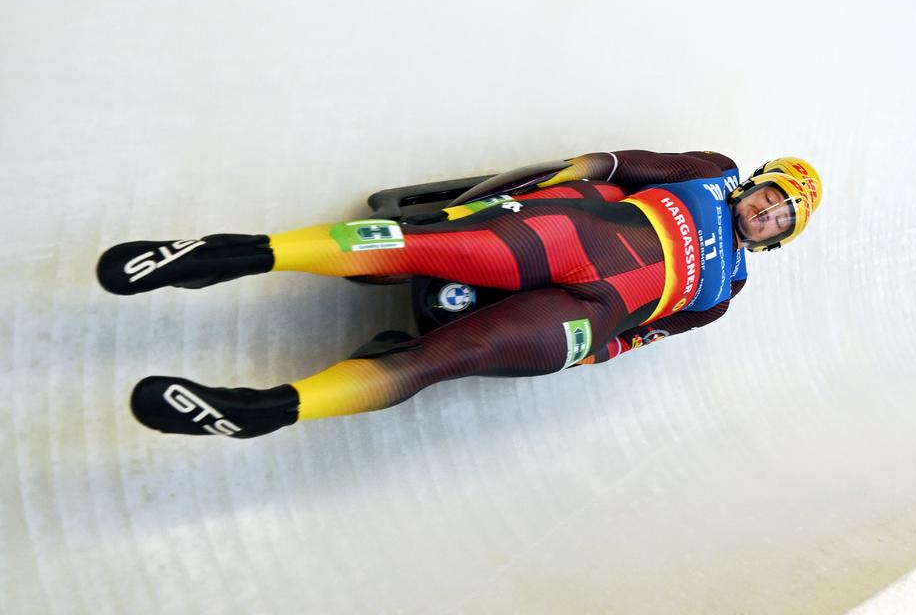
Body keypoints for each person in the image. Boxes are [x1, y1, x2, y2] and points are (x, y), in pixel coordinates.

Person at [96, 151, 822, 440]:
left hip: (591, 314)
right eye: (772, 197)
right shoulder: (708, 171)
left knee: (458, 355)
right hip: (573, 232)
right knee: (419, 246)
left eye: (781, 218)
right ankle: (225, 256)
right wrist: (483, 201)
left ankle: (264, 412)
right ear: (755, 181)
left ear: (775, 240)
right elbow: (604, 162)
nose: (767, 212)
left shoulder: (723, 294)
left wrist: (591, 355)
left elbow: (642, 338)